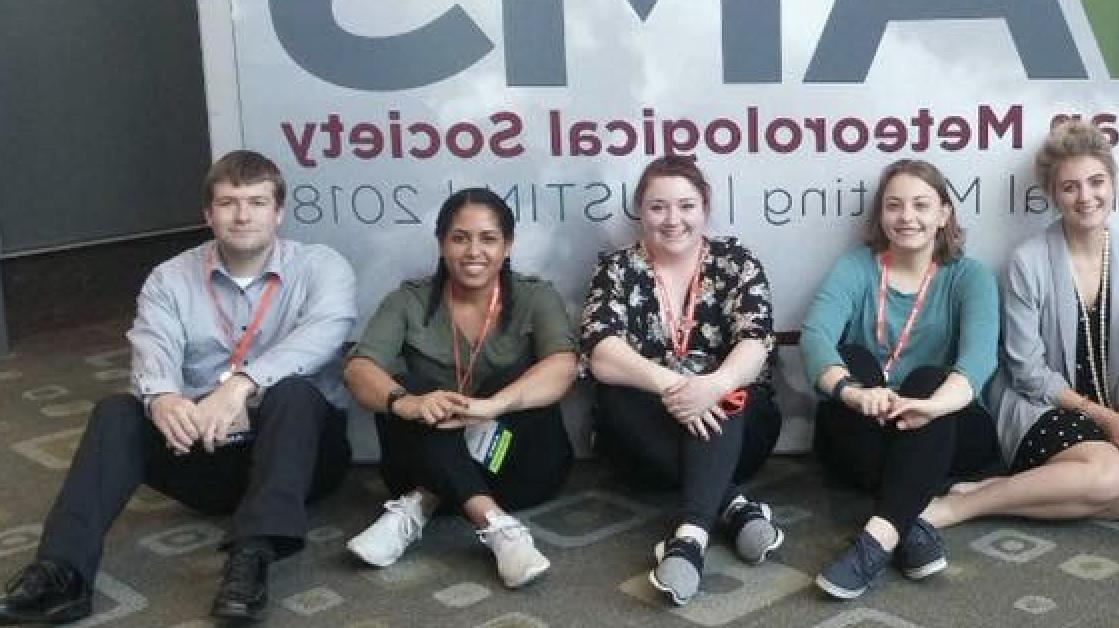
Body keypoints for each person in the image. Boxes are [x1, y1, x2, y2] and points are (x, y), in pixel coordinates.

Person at [0, 151, 356, 624]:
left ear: (280, 212)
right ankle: (62, 572)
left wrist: (241, 384)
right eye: (229, 203)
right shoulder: (169, 278)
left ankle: (250, 560)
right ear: (208, 214)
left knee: (296, 393)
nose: (243, 215)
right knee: (118, 412)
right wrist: (164, 397)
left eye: (256, 201)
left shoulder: (322, 267)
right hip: (204, 450)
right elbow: (153, 347)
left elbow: (326, 335)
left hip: (299, 456)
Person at [920, 120, 1119, 531]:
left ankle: (999, 492)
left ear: (1113, 183)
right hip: (1043, 405)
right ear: (1052, 195)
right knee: (1112, 475)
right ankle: (962, 508)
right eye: (1070, 187)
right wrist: (1103, 418)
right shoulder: (1029, 260)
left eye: (1096, 182)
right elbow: (1027, 371)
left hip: (1115, 408)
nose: (1086, 197)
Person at [343, 188, 578, 588]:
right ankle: (498, 527)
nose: (473, 251)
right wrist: (409, 403)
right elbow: (358, 369)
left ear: (508, 246)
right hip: (427, 464)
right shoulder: (408, 300)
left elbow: (564, 366)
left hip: (519, 472)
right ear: (441, 244)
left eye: (488, 238)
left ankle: (420, 504)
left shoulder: (535, 296)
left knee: (513, 382)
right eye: (459, 238)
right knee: (405, 386)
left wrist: (494, 406)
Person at [580, 156, 783, 607]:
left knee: (735, 392)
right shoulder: (616, 269)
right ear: (640, 211)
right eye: (658, 207)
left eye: (686, 206)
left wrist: (711, 387)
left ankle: (689, 539)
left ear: (705, 207)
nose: (673, 220)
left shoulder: (736, 262)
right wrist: (677, 388)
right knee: (616, 394)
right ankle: (732, 506)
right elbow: (602, 352)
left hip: (737, 425)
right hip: (648, 435)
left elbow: (755, 342)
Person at [801, 158, 1002, 600]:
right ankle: (909, 521)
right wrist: (853, 393)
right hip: (866, 425)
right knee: (853, 357)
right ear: (881, 215)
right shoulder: (857, 266)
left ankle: (876, 540)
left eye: (921, 205)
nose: (907, 217)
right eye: (894, 206)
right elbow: (816, 336)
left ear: (944, 214)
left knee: (930, 378)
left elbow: (978, 362)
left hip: (948, 427)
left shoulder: (971, 277)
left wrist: (929, 406)